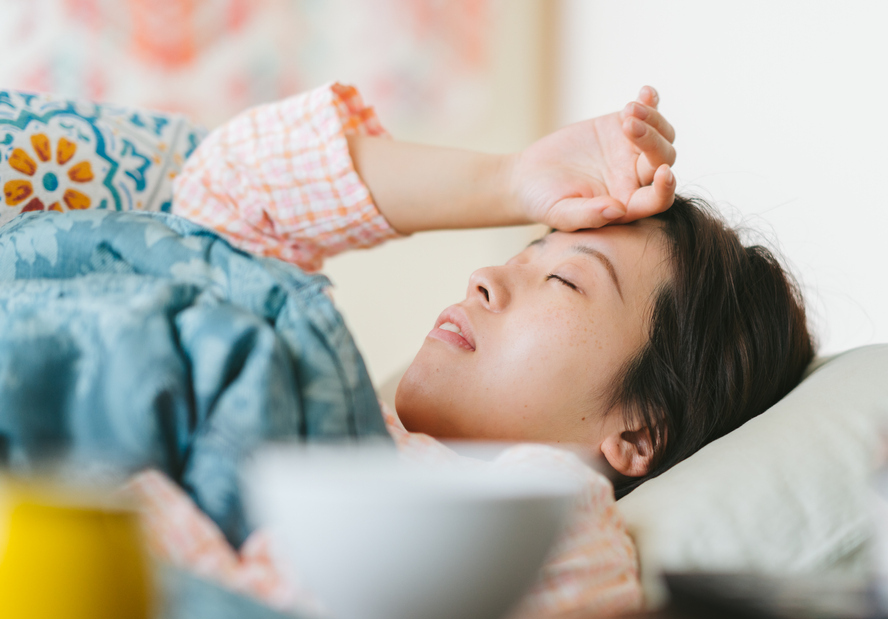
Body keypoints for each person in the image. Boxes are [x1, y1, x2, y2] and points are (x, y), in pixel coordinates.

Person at [173, 83, 816, 498]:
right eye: (525, 254)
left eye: (564, 280)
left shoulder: (550, 546)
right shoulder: (320, 394)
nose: (485, 280)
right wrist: (511, 181)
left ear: (639, 434)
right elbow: (226, 189)